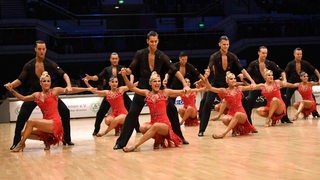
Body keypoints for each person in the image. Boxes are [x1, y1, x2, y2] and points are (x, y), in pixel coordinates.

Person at [113, 31, 190, 150]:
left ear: (158, 41)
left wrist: (185, 84)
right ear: (147, 41)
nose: (154, 44)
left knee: (172, 110)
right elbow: (131, 68)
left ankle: (179, 136)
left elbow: (174, 70)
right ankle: (121, 142)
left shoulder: (161, 55)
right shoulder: (140, 53)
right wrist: (125, 72)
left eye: (156, 41)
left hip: (157, 85)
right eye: (151, 41)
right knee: (132, 113)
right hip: (144, 84)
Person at [5, 40, 74, 150]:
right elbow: (20, 80)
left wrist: (69, 85)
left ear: (46, 50)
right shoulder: (29, 65)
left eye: (43, 49)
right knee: (22, 116)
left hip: (48, 94)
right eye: (39, 49)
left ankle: (67, 138)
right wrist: (11, 85)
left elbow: (64, 74)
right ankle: (16, 142)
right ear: (35, 50)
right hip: (35, 94)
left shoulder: (50, 64)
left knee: (65, 111)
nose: (42, 51)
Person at [5, 71, 90, 152]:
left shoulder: (55, 91)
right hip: (46, 124)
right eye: (44, 81)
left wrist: (87, 89)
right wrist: (12, 90)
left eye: (48, 81)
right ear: (40, 83)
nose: (46, 83)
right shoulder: (36, 95)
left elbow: (71, 90)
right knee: (23, 133)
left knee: (31, 122)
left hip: (55, 123)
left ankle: (21, 144)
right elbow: (23, 98)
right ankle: (47, 141)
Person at [198, 35, 256, 137]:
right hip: (216, 82)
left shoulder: (232, 56)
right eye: (224, 44)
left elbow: (242, 69)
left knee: (244, 102)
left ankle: (250, 126)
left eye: (227, 44)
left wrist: (251, 81)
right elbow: (209, 68)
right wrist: (205, 76)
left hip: (227, 82)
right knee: (206, 103)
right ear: (219, 44)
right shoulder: (214, 56)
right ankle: (202, 129)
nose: (226, 46)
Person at [121, 71, 186, 152]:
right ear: (150, 83)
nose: (157, 83)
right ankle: (158, 140)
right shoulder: (146, 93)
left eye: (159, 81)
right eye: (155, 81)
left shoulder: (165, 92)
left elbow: (181, 92)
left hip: (165, 126)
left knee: (155, 126)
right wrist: (124, 76)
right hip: (153, 124)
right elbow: (131, 88)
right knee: (142, 127)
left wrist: (186, 87)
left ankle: (135, 146)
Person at [83, 52, 134, 136]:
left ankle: (137, 128)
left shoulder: (122, 68)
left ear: (118, 59)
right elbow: (98, 77)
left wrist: (130, 76)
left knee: (132, 109)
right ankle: (96, 129)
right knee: (100, 112)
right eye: (113, 58)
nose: (114, 60)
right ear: (110, 59)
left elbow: (130, 73)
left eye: (116, 58)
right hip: (110, 94)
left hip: (121, 92)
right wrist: (91, 78)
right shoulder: (106, 69)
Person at [243, 46, 288, 126]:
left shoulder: (270, 63)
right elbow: (247, 74)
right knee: (249, 100)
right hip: (260, 86)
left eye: (266, 53)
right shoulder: (253, 64)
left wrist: (284, 80)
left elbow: (282, 71)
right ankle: (249, 121)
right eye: (263, 53)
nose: (264, 55)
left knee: (283, 97)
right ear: (259, 53)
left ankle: (284, 118)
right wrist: (243, 78)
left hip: (271, 85)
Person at [204, 71, 255, 138]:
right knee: (224, 119)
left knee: (237, 114)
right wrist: (206, 78)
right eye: (231, 79)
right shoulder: (224, 90)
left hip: (241, 113)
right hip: (231, 113)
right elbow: (210, 88)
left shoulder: (239, 88)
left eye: (234, 78)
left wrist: (247, 81)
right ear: (227, 81)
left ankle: (223, 134)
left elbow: (251, 87)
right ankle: (235, 129)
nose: (233, 80)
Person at [162, 51, 205, 126]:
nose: (184, 61)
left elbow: (197, 73)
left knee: (188, 105)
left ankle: (189, 119)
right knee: (170, 105)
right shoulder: (175, 65)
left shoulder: (188, 66)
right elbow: (168, 73)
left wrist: (204, 80)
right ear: (179, 59)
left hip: (185, 87)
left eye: (186, 59)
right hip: (175, 87)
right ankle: (168, 120)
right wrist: (166, 79)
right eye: (183, 59)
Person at [284, 47, 320, 119]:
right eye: (298, 54)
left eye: (300, 54)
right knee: (287, 99)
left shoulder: (305, 63)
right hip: (293, 83)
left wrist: (319, 78)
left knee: (312, 97)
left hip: (303, 83)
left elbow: (315, 70)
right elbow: (284, 72)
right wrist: (284, 81)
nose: (299, 55)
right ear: (294, 54)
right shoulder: (290, 64)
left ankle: (314, 112)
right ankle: (284, 116)